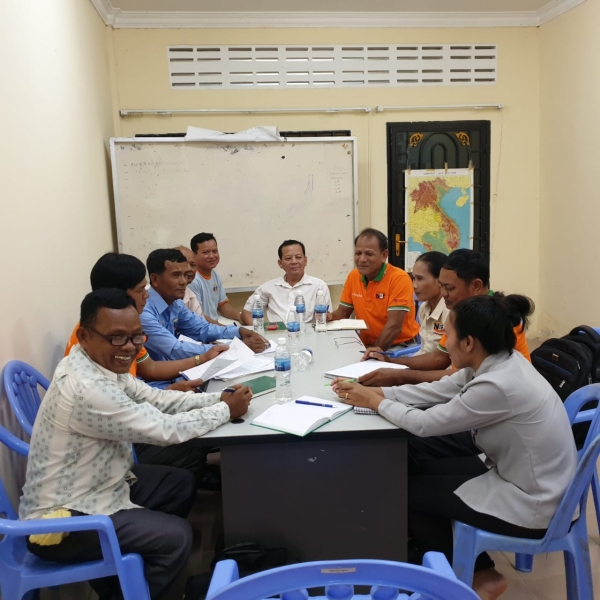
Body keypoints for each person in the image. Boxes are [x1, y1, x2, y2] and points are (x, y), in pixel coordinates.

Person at [332, 294, 577, 600]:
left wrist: (375, 402)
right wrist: (379, 392)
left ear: (469, 342)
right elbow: (439, 390)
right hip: (524, 477)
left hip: (536, 502)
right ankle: (467, 565)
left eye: (447, 335)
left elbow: (425, 424)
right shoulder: (498, 360)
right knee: (418, 469)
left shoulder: (498, 385)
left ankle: (472, 579)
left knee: (410, 492)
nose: (444, 343)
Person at [20, 289, 253, 600]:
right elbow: (164, 428)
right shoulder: (87, 388)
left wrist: (218, 399)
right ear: (85, 336)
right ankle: (129, 590)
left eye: (136, 337)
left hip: (103, 486)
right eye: (117, 337)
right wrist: (225, 410)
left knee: (179, 484)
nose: (129, 347)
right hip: (64, 522)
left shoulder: (97, 363)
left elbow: (154, 398)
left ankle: (126, 575)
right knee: (176, 538)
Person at [359, 249, 531, 387]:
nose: (443, 294)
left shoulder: (496, 319)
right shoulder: (462, 313)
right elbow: (439, 357)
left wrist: (399, 375)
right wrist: (390, 360)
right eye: (441, 286)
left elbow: (459, 378)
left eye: (449, 288)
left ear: (476, 286)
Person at [64, 253, 224, 391]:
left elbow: (150, 368)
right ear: (117, 294)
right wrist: (169, 393)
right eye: (140, 290)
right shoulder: (97, 337)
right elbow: (121, 402)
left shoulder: (123, 330)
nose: (146, 295)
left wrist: (201, 359)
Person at [141, 249, 268, 363]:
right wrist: (237, 348)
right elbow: (175, 349)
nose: (184, 281)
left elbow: (202, 329)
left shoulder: (176, 303)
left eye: (185, 275)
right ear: (155, 279)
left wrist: (239, 331)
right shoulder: (143, 311)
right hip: (155, 378)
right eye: (176, 275)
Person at [327, 228, 420, 350]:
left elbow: (394, 327)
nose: (362, 259)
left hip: (400, 346)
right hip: (367, 344)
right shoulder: (354, 276)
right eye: (358, 253)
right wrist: (329, 317)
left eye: (369, 254)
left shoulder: (399, 278)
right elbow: (343, 312)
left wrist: (372, 351)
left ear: (384, 255)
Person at [240, 239, 331, 325]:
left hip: (306, 333)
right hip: (276, 334)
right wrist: (259, 331)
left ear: (305, 260)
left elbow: (327, 316)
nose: (294, 262)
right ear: (280, 263)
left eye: (298, 257)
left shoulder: (319, 286)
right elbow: (246, 313)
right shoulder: (268, 287)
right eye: (288, 258)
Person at [188, 232, 242, 324]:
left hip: (213, 324)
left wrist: (240, 317)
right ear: (194, 255)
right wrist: (222, 328)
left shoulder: (215, 275)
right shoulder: (192, 279)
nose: (212, 256)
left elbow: (222, 305)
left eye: (215, 251)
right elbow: (197, 315)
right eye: (205, 252)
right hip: (201, 327)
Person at [411, 251, 449, 355]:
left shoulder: (450, 312)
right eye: (413, 278)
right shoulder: (424, 308)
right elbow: (424, 350)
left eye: (420, 279)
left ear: (440, 280)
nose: (414, 285)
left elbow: (442, 359)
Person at [175, 245, 204, 318]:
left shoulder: (191, 296)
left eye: (192, 265)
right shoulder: (149, 296)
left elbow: (200, 323)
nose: (189, 269)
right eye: (184, 264)